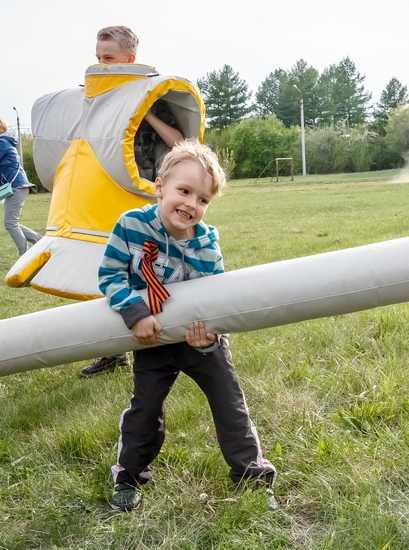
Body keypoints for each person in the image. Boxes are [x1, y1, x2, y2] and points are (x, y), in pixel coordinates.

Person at [99, 140, 277, 511]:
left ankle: (253, 478)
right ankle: (128, 479)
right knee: (144, 411)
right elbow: (110, 275)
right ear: (159, 186)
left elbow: (217, 296)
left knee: (231, 406)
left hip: (202, 342)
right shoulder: (131, 226)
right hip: (154, 338)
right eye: (184, 191)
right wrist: (135, 312)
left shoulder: (207, 245)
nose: (191, 205)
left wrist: (211, 334)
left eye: (202, 199)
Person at [81, 25, 185, 378]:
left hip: (143, 197)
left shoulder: (151, 97)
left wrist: (144, 111)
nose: (101, 65)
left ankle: (170, 339)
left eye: (108, 58)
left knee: (149, 274)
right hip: (108, 192)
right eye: (97, 58)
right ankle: (112, 351)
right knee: (107, 272)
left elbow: (180, 144)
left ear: (130, 59)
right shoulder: (97, 101)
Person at [0, 118, 41, 257]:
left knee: (10, 223)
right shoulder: (5, 142)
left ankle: (25, 255)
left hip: (17, 185)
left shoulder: (2, 143)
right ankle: (41, 242)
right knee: (11, 223)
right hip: (16, 185)